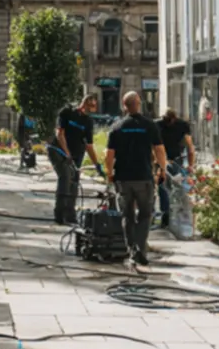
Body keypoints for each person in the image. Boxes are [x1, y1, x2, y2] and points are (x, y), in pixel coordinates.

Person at [105, 92, 167, 266]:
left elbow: (109, 156)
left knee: (128, 216)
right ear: (138, 104)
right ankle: (141, 247)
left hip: (123, 178)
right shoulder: (149, 125)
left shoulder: (117, 127)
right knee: (146, 215)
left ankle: (132, 250)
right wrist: (162, 169)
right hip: (144, 177)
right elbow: (159, 150)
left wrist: (109, 174)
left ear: (124, 106)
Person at [49, 93, 102, 225]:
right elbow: (60, 134)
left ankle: (70, 215)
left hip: (76, 154)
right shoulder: (66, 112)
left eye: (93, 106)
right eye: (89, 105)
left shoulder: (88, 122)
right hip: (58, 150)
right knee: (66, 176)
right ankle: (59, 214)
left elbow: (89, 146)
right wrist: (67, 154)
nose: (90, 109)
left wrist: (97, 164)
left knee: (74, 182)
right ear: (84, 103)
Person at [156, 109, 195, 229]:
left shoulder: (182, 125)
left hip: (175, 160)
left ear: (174, 118)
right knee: (163, 187)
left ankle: (172, 214)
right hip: (161, 160)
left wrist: (190, 165)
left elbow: (190, 147)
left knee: (175, 187)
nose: (168, 123)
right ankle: (166, 215)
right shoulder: (157, 125)